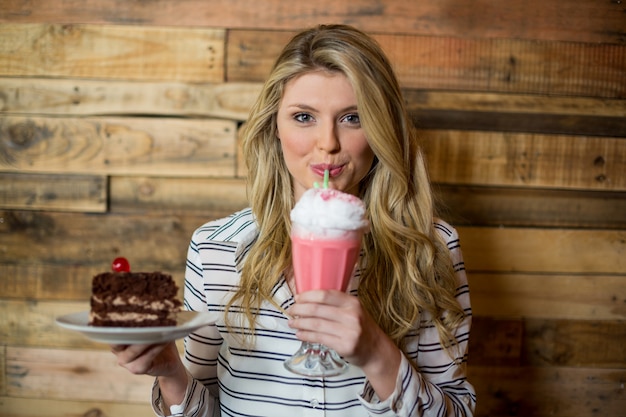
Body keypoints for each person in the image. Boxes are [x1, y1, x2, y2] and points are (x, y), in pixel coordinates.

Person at [112, 24, 476, 417]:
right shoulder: (215, 249)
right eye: (304, 116)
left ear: (382, 129)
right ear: (275, 126)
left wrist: (376, 354)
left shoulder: (429, 248)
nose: (328, 142)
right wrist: (170, 373)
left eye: (353, 117)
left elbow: (457, 411)